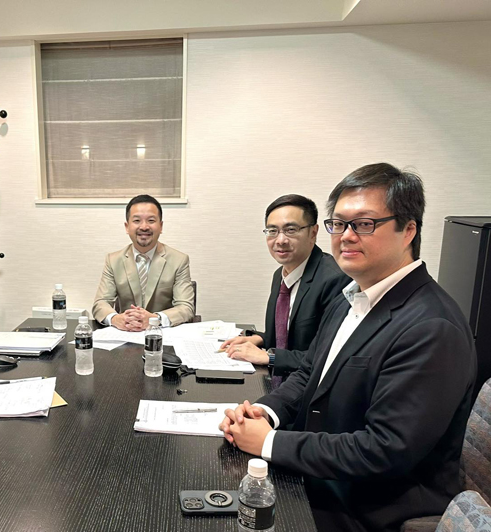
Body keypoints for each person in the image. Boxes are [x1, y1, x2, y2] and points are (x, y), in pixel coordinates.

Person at [219, 164, 476, 531]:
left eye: (365, 223)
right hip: (321, 475)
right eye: (338, 224)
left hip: (371, 507)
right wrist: (265, 413)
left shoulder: (433, 327)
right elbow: (310, 373)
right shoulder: (351, 296)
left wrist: (271, 443)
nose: (346, 236)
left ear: (408, 230)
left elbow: (384, 450)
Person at [220, 195, 349, 379]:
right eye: (272, 231)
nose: (280, 240)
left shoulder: (335, 279)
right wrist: (258, 339)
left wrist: (269, 356)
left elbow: (328, 355)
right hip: (280, 382)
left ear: (313, 232)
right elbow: (288, 336)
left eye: (291, 230)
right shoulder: (280, 275)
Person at [92, 194, 194, 331]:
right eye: (137, 220)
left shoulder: (179, 260)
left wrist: (154, 319)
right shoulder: (113, 260)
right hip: (126, 335)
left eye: (151, 220)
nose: (144, 227)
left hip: (162, 336)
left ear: (161, 226)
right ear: (127, 227)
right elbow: (100, 303)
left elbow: (185, 307)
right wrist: (116, 319)